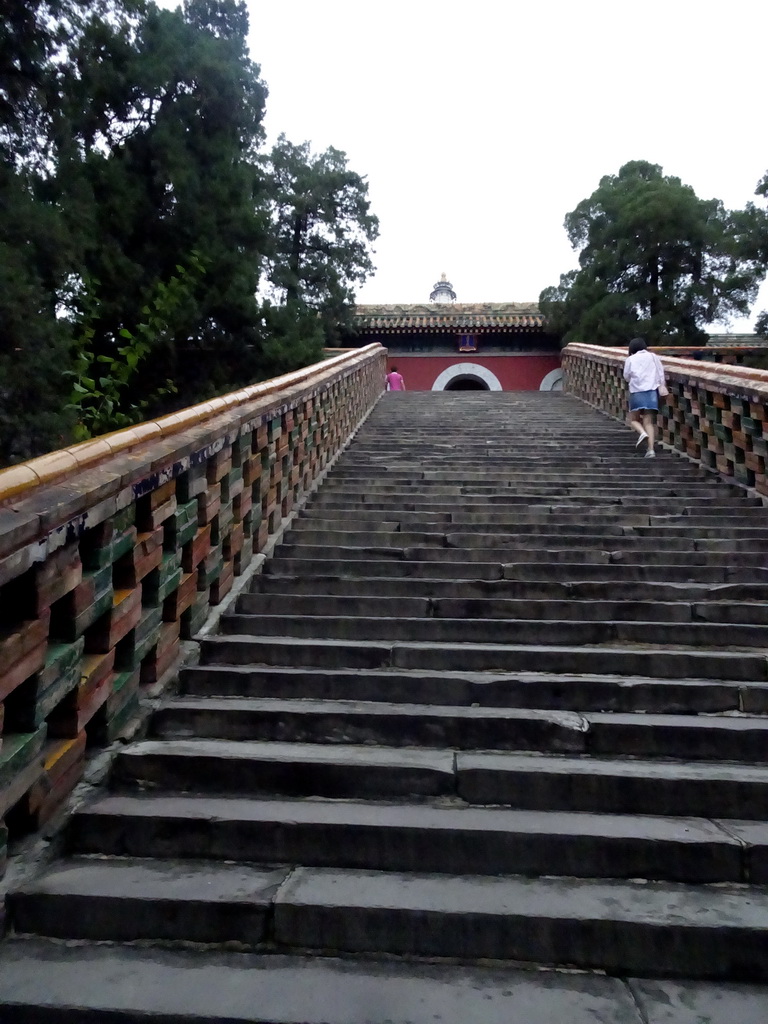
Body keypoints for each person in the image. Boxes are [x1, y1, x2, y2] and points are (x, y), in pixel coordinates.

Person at [623, 337, 666, 459]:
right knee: (649, 422)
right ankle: (651, 450)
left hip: (637, 392)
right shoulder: (653, 357)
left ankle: (642, 433)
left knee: (633, 419)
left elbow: (626, 376)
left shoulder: (630, 359)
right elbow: (660, 373)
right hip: (652, 392)